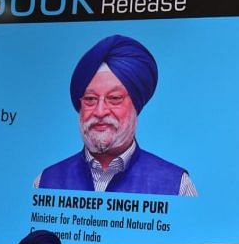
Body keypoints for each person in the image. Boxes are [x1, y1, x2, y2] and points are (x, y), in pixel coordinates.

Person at [34, 34, 197, 196]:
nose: (100, 111)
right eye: (90, 99)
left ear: (136, 105)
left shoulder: (177, 186)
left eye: (114, 99)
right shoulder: (45, 182)